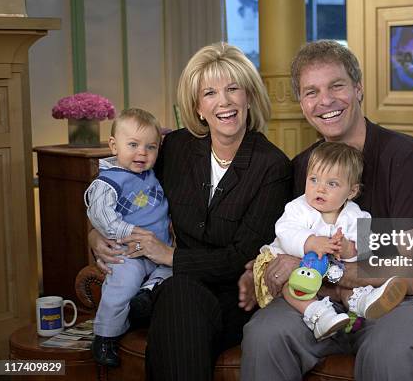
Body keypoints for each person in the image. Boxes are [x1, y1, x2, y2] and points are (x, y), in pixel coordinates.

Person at [239, 40, 413, 380]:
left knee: (389, 352)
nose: (325, 101)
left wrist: (325, 268)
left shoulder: (405, 158)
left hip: (407, 299)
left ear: (358, 89)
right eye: (311, 92)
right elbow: (286, 241)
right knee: (264, 336)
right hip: (322, 297)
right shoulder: (302, 168)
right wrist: (260, 269)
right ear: (301, 103)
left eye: (336, 86)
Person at [88, 42, 292, 380]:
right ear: (197, 108)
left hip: (231, 298)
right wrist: (97, 234)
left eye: (233, 89)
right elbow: (123, 190)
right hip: (170, 289)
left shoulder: (272, 167)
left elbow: (242, 256)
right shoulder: (176, 148)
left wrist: (169, 256)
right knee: (177, 294)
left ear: (249, 97)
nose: (223, 102)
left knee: (177, 295)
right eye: (210, 93)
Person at [253, 141, 408, 341]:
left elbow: (368, 247)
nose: (320, 189)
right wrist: (310, 242)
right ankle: (316, 314)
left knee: (350, 284)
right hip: (288, 266)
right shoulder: (297, 208)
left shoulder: (357, 215)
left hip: (331, 272)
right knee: (292, 283)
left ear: (351, 192)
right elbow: (285, 231)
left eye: (332, 183)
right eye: (314, 179)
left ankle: (361, 302)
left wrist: (349, 250)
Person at [84, 108, 172, 367]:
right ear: (114, 145)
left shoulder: (149, 174)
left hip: (159, 251)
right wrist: (124, 232)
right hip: (127, 251)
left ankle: (145, 297)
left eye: (151, 147)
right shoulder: (109, 180)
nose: (142, 153)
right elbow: (98, 213)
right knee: (122, 284)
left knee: (170, 272)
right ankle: (105, 336)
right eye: (133, 145)